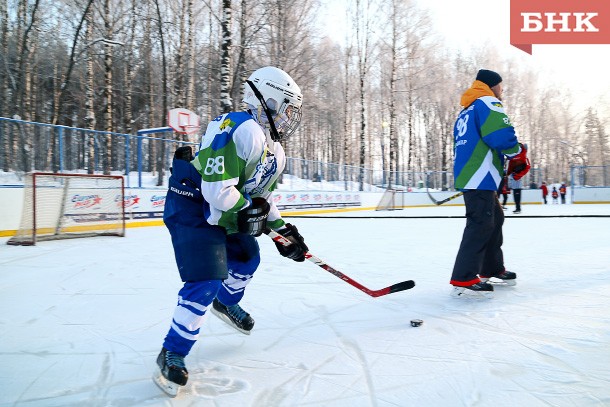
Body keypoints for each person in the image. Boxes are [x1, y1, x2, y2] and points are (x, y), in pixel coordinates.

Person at [153, 66, 309, 397]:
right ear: (266, 99)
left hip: (225, 205)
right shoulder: (238, 127)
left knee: (247, 256)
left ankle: (226, 303)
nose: (289, 117)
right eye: (287, 107)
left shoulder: (275, 151)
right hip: (193, 204)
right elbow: (216, 192)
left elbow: (261, 198)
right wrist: (254, 213)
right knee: (207, 278)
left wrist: (285, 232)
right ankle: (173, 352)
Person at [450, 69, 529, 298]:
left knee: (494, 219)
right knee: (481, 223)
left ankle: (491, 268)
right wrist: (518, 153)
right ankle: (463, 276)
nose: (502, 91)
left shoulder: (467, 109)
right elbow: (500, 135)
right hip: (479, 175)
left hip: (474, 173)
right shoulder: (488, 102)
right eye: (501, 87)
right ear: (491, 86)